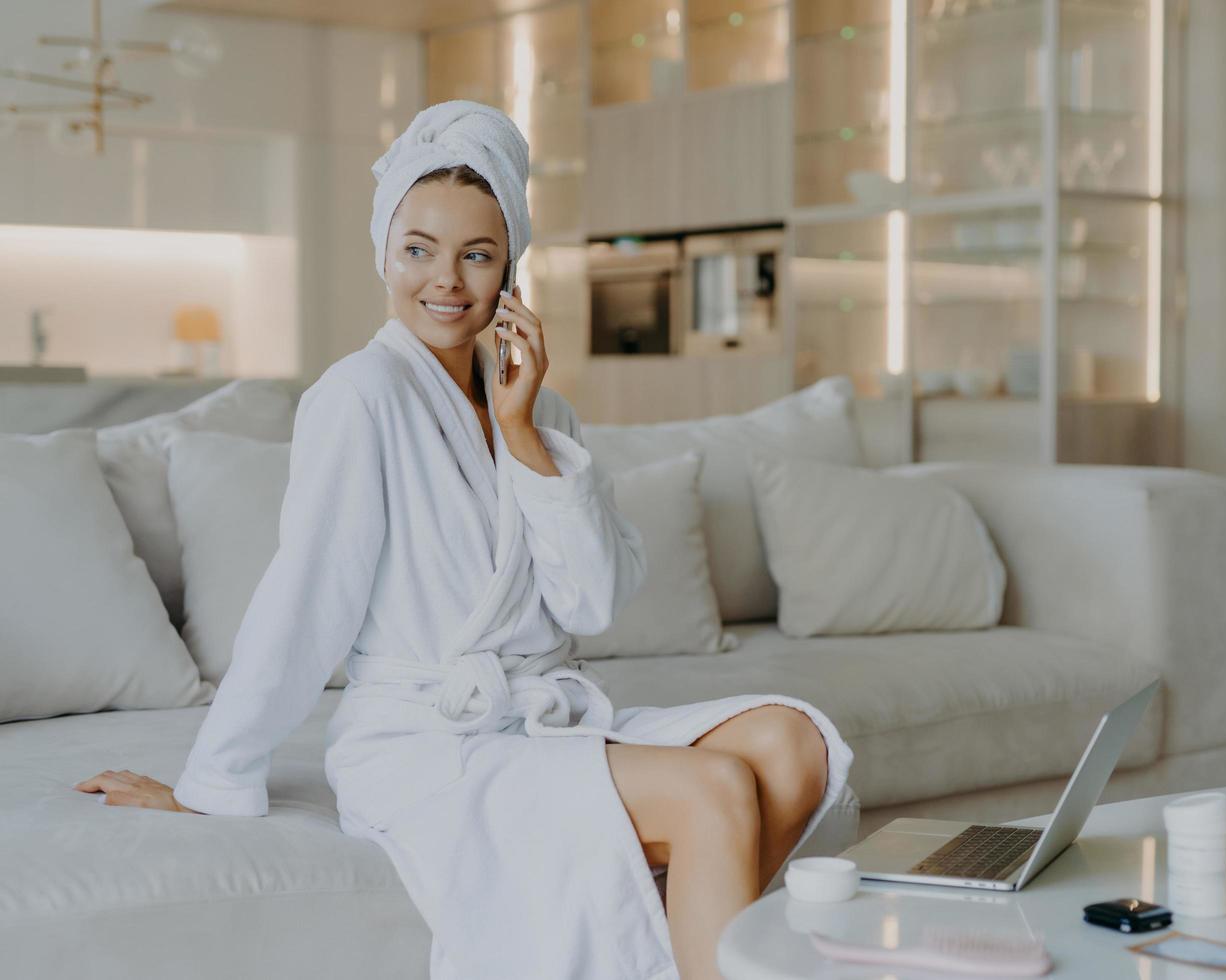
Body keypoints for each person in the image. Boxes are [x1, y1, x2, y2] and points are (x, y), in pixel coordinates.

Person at [73, 101, 853, 980]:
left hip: (536, 722)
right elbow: (306, 596)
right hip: (426, 745)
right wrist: (209, 782)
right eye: (420, 249)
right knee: (714, 789)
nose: (445, 281)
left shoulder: (539, 406)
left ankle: (667, 945)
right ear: (385, 252)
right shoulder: (359, 395)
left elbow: (592, 601)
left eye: (476, 255)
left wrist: (523, 434)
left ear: (509, 269)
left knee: (794, 746)